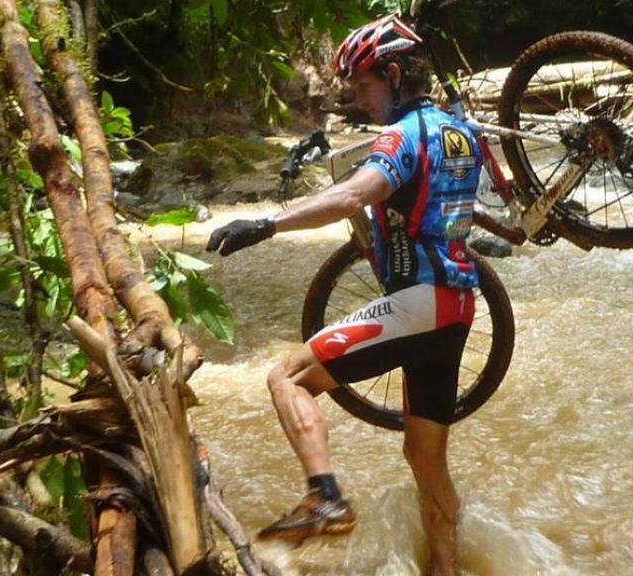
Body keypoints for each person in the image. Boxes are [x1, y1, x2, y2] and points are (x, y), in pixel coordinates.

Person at [205, 14, 482, 576]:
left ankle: (324, 494)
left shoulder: (402, 136)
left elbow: (355, 194)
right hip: (457, 309)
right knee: (425, 459)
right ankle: (446, 570)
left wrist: (267, 225)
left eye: (364, 86)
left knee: (287, 377)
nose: (359, 100)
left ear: (396, 73)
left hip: (417, 301)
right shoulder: (462, 132)